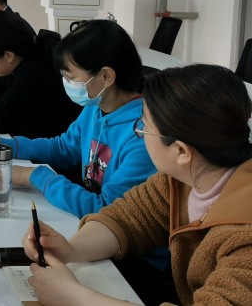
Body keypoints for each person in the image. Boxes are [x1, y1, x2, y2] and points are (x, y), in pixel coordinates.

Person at [22, 64, 252, 306]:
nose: (139, 133)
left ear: (182, 152)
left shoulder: (244, 233)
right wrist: (71, 249)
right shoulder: (181, 179)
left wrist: (74, 297)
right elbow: (128, 219)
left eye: (144, 127)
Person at [0, 20, 155, 219]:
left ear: (106, 76)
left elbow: (106, 209)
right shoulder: (96, 107)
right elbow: (64, 148)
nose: (66, 83)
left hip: (110, 229)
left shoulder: (143, 136)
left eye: (71, 77)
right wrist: (3, 146)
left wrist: (36, 176)